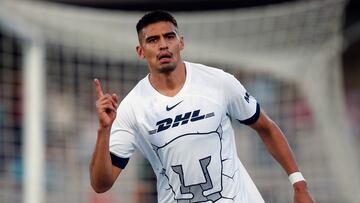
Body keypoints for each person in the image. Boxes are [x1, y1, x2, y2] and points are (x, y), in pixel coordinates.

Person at [89, 10, 315, 203]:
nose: (163, 45)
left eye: (169, 37)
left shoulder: (218, 82)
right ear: (140, 51)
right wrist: (103, 131)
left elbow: (266, 127)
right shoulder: (132, 107)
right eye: (153, 40)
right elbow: (101, 184)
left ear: (181, 42)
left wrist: (298, 183)